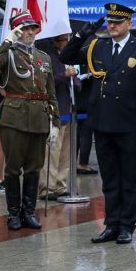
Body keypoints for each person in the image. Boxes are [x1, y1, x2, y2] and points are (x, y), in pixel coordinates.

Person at [60, 3, 136, 244]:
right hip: (102, 122)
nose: (112, 26)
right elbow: (66, 56)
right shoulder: (98, 45)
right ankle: (111, 224)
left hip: (130, 124)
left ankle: (127, 225)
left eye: (117, 22)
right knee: (110, 177)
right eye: (109, 22)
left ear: (129, 24)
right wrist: (83, 33)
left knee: (130, 178)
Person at [0, 11, 61, 232]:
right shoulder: (8, 54)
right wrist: (8, 40)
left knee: (34, 166)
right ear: (17, 31)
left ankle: (28, 212)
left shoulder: (43, 57)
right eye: (25, 29)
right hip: (14, 117)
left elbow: (51, 92)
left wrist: (55, 122)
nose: (30, 32)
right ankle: (13, 214)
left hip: (39, 116)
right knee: (13, 168)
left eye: (32, 28)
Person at [36, 33, 81, 201]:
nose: (67, 43)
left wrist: (74, 79)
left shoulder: (69, 58)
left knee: (65, 151)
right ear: (56, 42)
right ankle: (47, 187)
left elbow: (77, 83)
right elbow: (45, 82)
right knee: (52, 151)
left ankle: (60, 185)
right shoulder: (49, 59)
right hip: (56, 110)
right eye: (64, 40)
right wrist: (65, 75)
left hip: (69, 110)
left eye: (68, 40)